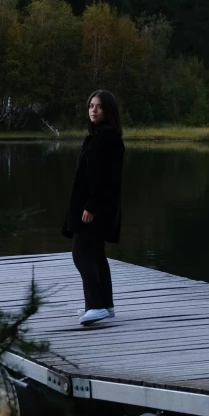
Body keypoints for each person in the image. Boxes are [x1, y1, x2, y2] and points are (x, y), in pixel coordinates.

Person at [62, 89, 125, 326]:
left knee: (81, 254)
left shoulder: (106, 139)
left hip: (93, 208)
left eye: (98, 106)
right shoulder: (100, 137)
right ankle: (106, 306)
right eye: (90, 106)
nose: (93, 110)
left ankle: (95, 306)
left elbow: (106, 179)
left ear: (108, 111)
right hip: (93, 206)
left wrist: (92, 206)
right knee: (96, 255)